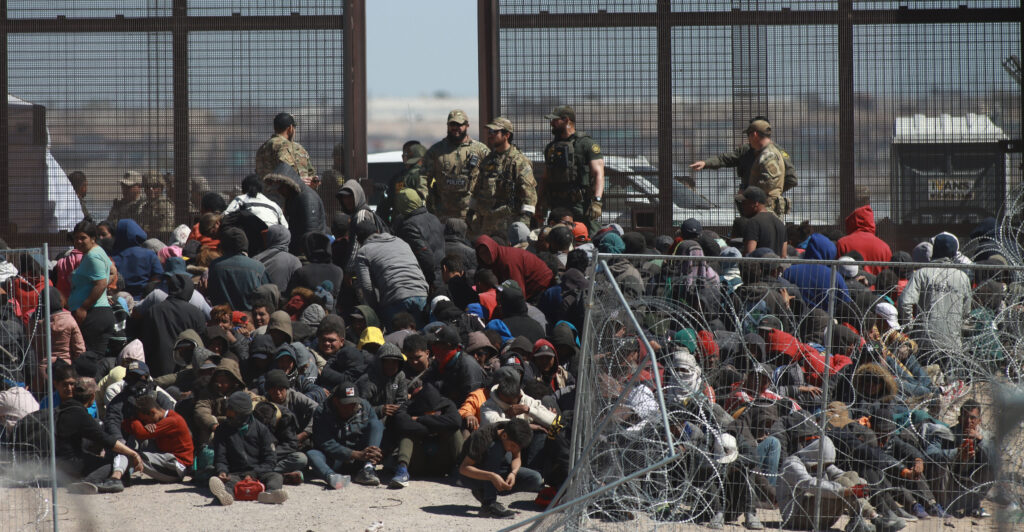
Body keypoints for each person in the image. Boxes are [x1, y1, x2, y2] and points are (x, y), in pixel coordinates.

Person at [690, 116, 796, 217]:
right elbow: (727, 158)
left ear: (756, 134)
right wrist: (706, 163)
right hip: (748, 203)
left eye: (750, 134)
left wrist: (772, 193)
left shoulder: (774, 153)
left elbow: (791, 179)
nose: (749, 138)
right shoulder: (747, 150)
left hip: (765, 205)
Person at [208, 391, 289, 505]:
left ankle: (270, 494)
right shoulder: (222, 430)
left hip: (259, 472)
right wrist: (222, 471)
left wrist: (252, 474)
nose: (228, 416)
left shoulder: (262, 430)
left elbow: (270, 460)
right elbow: (221, 457)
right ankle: (224, 496)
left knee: (276, 477)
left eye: (233, 414)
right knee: (228, 483)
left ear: (243, 414)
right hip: (235, 472)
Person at [467, 117, 537, 238]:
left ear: (507, 135)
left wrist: (523, 226)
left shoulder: (518, 161)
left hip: (508, 224)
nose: (490, 135)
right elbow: (478, 188)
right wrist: (471, 212)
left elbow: (529, 196)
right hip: (487, 224)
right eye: (489, 132)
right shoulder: (488, 160)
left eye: (494, 132)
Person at [458, 418, 542, 518]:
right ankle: (489, 505)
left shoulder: (513, 431)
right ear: (504, 435)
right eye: (512, 446)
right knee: (495, 448)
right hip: (472, 475)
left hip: (497, 470)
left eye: (517, 447)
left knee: (534, 478)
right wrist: (492, 476)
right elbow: (464, 468)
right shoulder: (482, 437)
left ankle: (483, 492)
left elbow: (516, 457)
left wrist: (513, 473)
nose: (513, 449)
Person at [352, 220, 429, 327]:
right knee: (419, 340)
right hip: (421, 294)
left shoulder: (363, 252)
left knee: (396, 340)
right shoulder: (401, 242)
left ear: (359, 240)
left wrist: (376, 310)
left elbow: (367, 287)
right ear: (378, 231)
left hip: (395, 299)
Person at [308, 381, 385, 488]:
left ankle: (368, 469)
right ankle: (332, 477)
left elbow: (374, 430)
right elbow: (325, 443)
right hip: (336, 459)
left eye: (353, 404)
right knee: (312, 454)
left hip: (361, 459)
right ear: (336, 401)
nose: (350, 408)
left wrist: (371, 453)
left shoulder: (364, 406)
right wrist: (355, 454)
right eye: (346, 404)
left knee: (376, 424)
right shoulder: (322, 411)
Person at [540, 105, 605, 231]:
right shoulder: (551, 148)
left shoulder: (585, 144)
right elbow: (545, 177)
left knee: (586, 236)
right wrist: (540, 202)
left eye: (555, 120)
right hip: (556, 204)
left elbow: (599, 174)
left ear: (566, 120)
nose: (551, 123)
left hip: (579, 205)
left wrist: (597, 201)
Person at [424, 109, 490, 222]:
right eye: (452, 124)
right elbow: (423, 178)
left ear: (467, 126)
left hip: (472, 217)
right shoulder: (436, 151)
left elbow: (491, 178)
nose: (455, 128)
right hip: (443, 217)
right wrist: (426, 202)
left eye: (459, 124)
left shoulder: (480, 150)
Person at [68, 220, 116, 368]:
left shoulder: (92, 256)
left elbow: (101, 282)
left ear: (93, 238)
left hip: (93, 315)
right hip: (99, 313)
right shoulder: (97, 252)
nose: (79, 241)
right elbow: (113, 272)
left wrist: (83, 307)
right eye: (76, 238)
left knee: (87, 361)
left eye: (83, 238)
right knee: (95, 361)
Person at [117, 393, 193, 483]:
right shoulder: (162, 418)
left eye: (145, 420)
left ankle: (115, 478)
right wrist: (142, 424)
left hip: (176, 468)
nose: (146, 423)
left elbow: (141, 433)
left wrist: (135, 420)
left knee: (129, 454)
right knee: (134, 438)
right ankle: (123, 473)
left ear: (152, 412)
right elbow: (125, 425)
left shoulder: (172, 420)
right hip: (167, 461)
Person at [207, 227, 271, 311]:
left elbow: (211, 293)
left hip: (223, 318)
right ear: (245, 243)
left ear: (223, 245)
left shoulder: (214, 266)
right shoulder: (258, 267)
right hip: (249, 319)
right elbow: (267, 295)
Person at [255, 112, 316, 186]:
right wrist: (300, 181)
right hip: (286, 194)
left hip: (265, 194)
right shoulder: (285, 145)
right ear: (290, 128)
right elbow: (286, 169)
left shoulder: (262, 148)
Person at [377, 141, 430, 225]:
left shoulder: (418, 175)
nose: (405, 157)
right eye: (404, 154)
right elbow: (387, 203)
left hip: (409, 223)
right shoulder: (399, 178)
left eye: (409, 154)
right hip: (414, 223)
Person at [836, 204, 891, 275]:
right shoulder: (885, 247)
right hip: (876, 285)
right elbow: (888, 275)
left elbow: (837, 271)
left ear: (851, 222)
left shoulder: (843, 243)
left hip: (849, 285)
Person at [224, 173, 289, 229]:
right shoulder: (274, 205)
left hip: (251, 239)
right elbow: (285, 226)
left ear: (244, 188)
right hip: (273, 238)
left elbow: (225, 216)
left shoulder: (240, 199)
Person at [738, 187, 787, 257]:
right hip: (775, 267)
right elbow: (784, 256)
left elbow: (749, 254)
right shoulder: (779, 223)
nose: (742, 206)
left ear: (755, 203)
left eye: (744, 202)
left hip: (759, 267)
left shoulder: (753, 223)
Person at [139, 171, 175, 238]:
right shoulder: (145, 206)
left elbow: (165, 232)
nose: (151, 189)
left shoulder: (165, 206)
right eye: (147, 186)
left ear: (161, 188)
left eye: (155, 186)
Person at [319, 142, 346, 216]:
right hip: (332, 212)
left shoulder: (348, 173)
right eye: (338, 159)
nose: (340, 161)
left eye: (341, 159)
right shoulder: (329, 174)